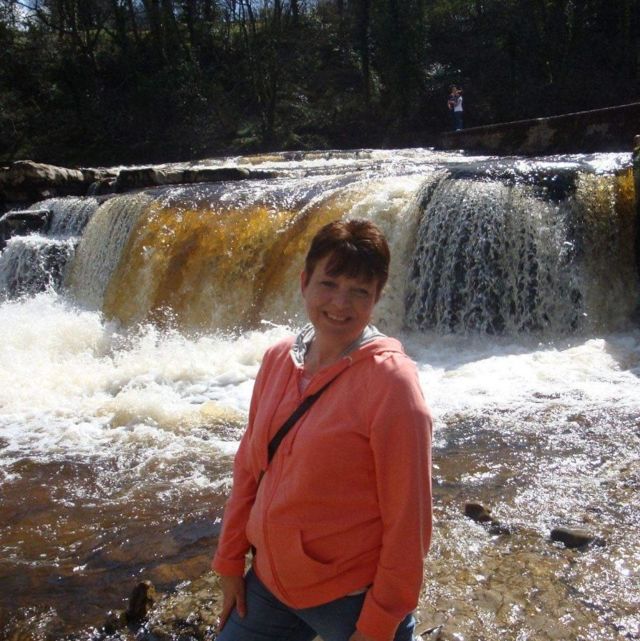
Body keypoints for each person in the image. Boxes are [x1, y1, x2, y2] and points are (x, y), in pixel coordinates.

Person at [212, 219, 433, 641]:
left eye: (359, 291)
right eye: (328, 284)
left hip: (350, 600)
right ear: (304, 282)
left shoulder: (391, 384)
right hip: (269, 585)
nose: (340, 304)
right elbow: (250, 467)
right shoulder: (279, 359)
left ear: (377, 298)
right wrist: (229, 561)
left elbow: (410, 521)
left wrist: (379, 623)